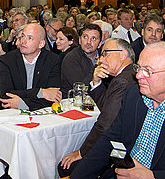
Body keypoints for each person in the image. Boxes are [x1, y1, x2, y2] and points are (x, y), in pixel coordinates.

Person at [70, 41, 165, 179]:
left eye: (147, 71)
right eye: (138, 68)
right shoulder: (134, 96)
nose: (138, 75)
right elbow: (109, 139)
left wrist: (153, 176)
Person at [59, 38, 136, 177]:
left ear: (123, 55)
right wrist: (96, 82)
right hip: (119, 142)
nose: (101, 59)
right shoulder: (127, 75)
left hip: (119, 147)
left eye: (106, 53)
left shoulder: (122, 81)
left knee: (65, 168)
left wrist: (82, 152)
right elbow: (107, 108)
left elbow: (105, 125)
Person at [0, 23, 61, 111]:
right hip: (12, 114)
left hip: (43, 115)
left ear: (41, 44)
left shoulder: (52, 60)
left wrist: (22, 104)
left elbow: (53, 97)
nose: (23, 41)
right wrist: (40, 93)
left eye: (30, 38)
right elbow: (5, 95)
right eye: (23, 36)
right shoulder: (7, 60)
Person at [61, 23, 102, 98]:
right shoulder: (71, 58)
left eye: (93, 38)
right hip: (74, 102)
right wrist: (97, 66)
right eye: (85, 37)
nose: (88, 42)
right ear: (80, 40)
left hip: (98, 100)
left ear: (99, 43)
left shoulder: (104, 57)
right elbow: (80, 90)